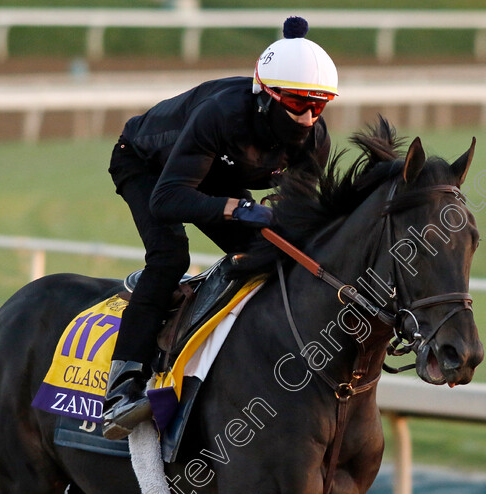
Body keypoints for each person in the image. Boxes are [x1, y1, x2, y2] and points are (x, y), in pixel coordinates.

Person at [102, 16, 338, 440]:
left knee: (271, 253)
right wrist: (239, 208)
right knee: (170, 256)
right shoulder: (222, 114)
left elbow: (295, 218)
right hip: (146, 166)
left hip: (208, 169)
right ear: (267, 95)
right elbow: (168, 200)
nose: (307, 119)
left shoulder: (315, 138)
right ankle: (123, 384)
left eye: (318, 106)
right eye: (298, 103)